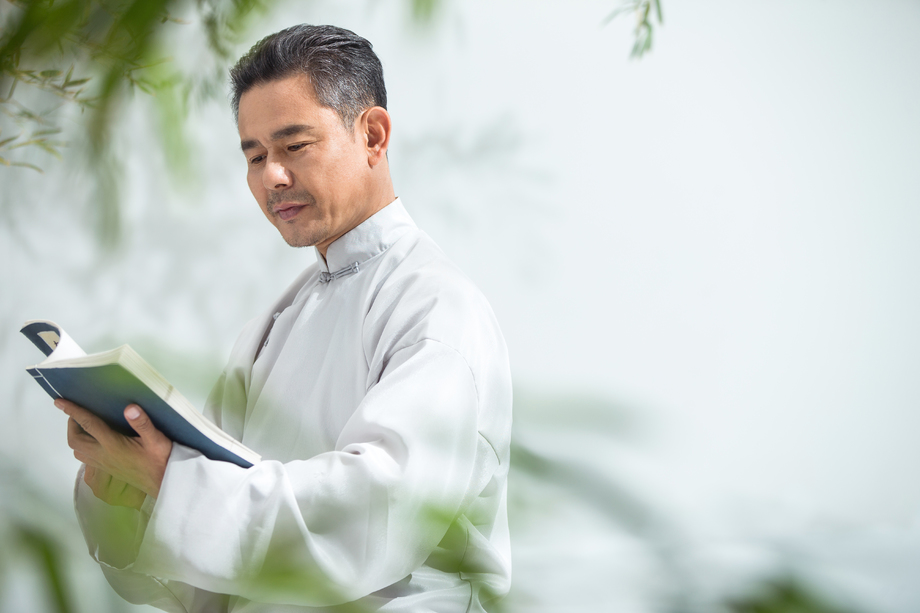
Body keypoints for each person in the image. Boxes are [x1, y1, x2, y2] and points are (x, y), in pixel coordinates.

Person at [60, 24, 512, 612]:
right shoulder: (272, 327)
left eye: (294, 146)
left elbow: (371, 521)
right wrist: (125, 493)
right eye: (255, 156)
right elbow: (203, 573)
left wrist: (169, 477)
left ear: (373, 135)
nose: (272, 176)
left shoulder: (436, 308)